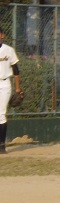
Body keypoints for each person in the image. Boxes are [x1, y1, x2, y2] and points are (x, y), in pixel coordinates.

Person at [0, 26, 22, 154]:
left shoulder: (8, 50)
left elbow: (16, 70)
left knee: (1, 114)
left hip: (4, 84)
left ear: (2, 35)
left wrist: (17, 88)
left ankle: (1, 146)